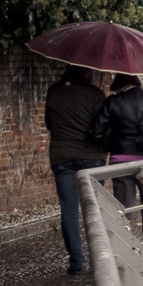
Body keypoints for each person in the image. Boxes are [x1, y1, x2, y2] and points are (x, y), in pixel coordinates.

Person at [89, 74, 143, 268]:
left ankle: (125, 256)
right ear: (137, 83)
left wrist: (113, 141)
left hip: (121, 162)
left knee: (124, 211)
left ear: (118, 84)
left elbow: (95, 132)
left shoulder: (111, 102)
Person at [44, 65, 108, 274]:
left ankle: (76, 261)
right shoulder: (96, 94)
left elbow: (48, 123)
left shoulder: (54, 91)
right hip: (92, 159)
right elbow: (102, 126)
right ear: (87, 72)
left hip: (62, 157)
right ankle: (99, 258)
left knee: (69, 209)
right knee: (93, 209)